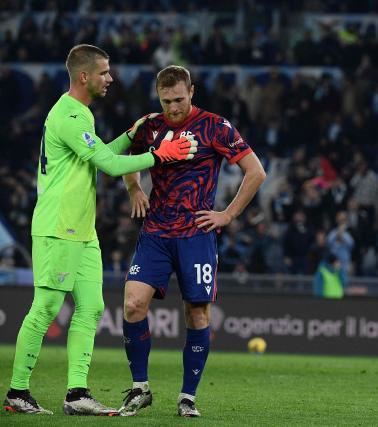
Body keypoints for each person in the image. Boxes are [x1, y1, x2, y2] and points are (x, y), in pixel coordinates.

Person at [4, 45, 197, 416]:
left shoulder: (80, 115)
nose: (110, 78)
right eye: (105, 72)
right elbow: (108, 165)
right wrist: (161, 155)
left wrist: (131, 133)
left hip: (83, 230)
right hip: (59, 225)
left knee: (91, 308)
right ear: (84, 77)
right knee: (45, 308)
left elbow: (99, 155)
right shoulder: (70, 116)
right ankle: (18, 391)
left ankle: (77, 394)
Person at [118, 65, 266, 417]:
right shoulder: (150, 125)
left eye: (179, 100)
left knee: (197, 314)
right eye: (166, 100)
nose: (173, 108)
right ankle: (140, 388)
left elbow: (256, 171)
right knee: (132, 305)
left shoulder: (216, 126)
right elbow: (123, 156)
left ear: (192, 92)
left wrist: (227, 215)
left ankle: (188, 397)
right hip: (155, 231)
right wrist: (135, 187)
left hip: (195, 234)